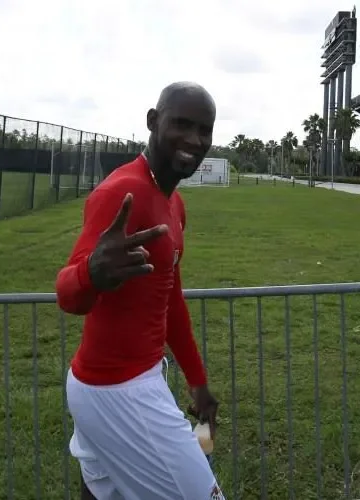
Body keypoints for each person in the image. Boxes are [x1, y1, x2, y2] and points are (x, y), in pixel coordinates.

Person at [55, 82, 224, 500]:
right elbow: (68, 294)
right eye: (181, 125)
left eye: (204, 130)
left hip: (125, 381)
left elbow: (170, 301)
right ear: (153, 121)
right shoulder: (120, 192)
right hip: (119, 390)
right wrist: (91, 274)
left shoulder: (173, 203)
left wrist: (197, 382)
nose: (194, 140)